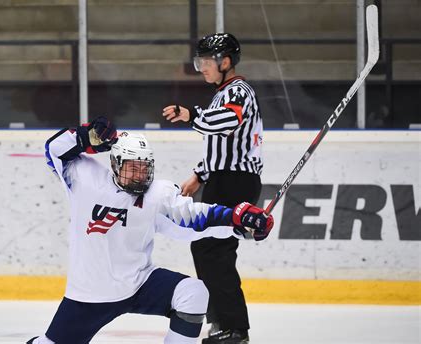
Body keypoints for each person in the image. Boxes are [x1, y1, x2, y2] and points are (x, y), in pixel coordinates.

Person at [26, 116, 274, 344]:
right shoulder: (86, 178)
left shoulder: (157, 194)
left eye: (144, 168)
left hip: (139, 283)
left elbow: (192, 219)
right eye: (132, 168)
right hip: (90, 294)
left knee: (193, 293)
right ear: (115, 164)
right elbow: (54, 149)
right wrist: (86, 136)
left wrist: (237, 220)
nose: (140, 175)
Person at [162, 33, 264, 343]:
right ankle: (222, 322)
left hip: (236, 181)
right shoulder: (223, 93)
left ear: (226, 62)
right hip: (223, 179)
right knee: (206, 248)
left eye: (207, 62)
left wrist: (191, 114)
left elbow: (226, 123)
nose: (202, 68)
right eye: (200, 62)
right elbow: (220, 145)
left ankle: (234, 328)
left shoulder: (239, 91)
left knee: (215, 250)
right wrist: (200, 175)